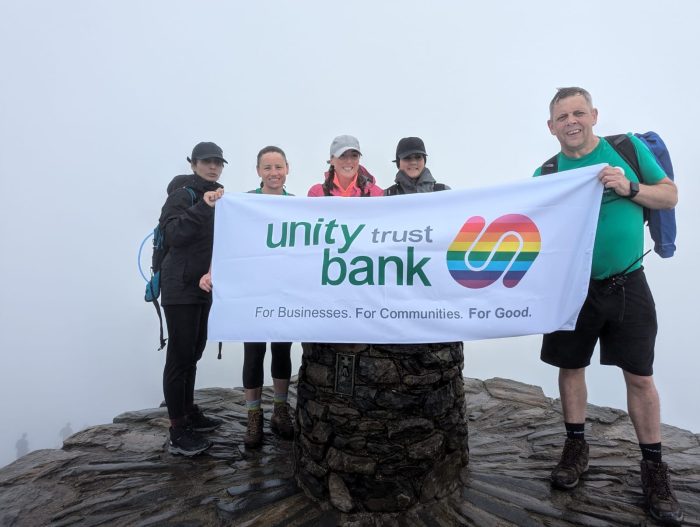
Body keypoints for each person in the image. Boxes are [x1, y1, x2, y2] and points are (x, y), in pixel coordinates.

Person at [533, 87, 681, 525]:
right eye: (563, 116)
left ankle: (654, 468)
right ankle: (576, 446)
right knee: (571, 366)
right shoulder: (546, 173)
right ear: (551, 126)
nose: (572, 121)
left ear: (594, 115)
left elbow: (669, 196)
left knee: (640, 376)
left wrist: (630, 185)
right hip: (572, 290)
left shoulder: (626, 150)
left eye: (579, 112)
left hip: (627, 282)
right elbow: (530, 228)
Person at [199, 146, 295, 450]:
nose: (273, 173)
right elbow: (226, 240)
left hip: (286, 291)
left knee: (281, 351)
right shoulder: (243, 203)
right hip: (253, 291)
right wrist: (211, 271)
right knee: (254, 353)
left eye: (278, 166)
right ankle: (254, 417)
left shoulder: (298, 205)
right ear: (258, 171)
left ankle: (280, 410)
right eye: (267, 167)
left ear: (287, 169)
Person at [159, 141, 227, 456]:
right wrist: (204, 206)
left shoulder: (218, 197)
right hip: (179, 287)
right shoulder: (182, 196)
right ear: (194, 164)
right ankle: (177, 430)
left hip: (203, 287)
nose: (213, 167)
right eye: (207, 162)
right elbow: (174, 235)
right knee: (179, 357)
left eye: (218, 162)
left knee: (193, 354)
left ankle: (189, 412)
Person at [307, 135, 383, 197]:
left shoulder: (376, 194)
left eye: (354, 155)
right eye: (342, 156)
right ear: (332, 160)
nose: (349, 161)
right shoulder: (316, 194)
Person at [384, 136, 449, 195]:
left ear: (424, 161)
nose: (413, 162)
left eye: (418, 157)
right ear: (398, 162)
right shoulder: (386, 196)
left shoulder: (445, 192)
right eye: (407, 157)